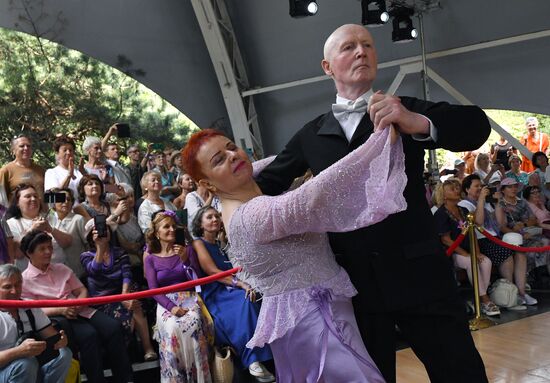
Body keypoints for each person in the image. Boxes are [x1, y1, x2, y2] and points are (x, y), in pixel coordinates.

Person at [253, 24, 490, 382]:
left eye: (367, 45)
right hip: (355, 287)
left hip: (420, 274)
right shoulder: (310, 134)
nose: (362, 51)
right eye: (349, 47)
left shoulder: (402, 108)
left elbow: (476, 126)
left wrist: (415, 121)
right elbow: (264, 188)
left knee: (460, 372)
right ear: (327, 67)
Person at [182, 124, 409, 381]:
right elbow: (315, 195)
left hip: (311, 312)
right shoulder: (253, 215)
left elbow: (280, 160)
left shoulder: (244, 183)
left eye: (231, 147)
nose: (232, 156)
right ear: (206, 184)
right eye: (219, 160)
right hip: (314, 319)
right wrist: (377, 145)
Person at [20, 230, 133, 383]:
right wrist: (61, 309)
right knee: (89, 335)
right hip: (57, 317)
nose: (48, 252)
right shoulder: (24, 280)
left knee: (113, 327)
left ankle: (125, 378)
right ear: (29, 253)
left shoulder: (61, 268)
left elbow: (82, 290)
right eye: (42, 249)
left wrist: (79, 303)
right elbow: (33, 310)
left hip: (81, 309)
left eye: (50, 247)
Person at [191, 206, 274, 381]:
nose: (215, 219)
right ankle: (252, 359)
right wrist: (241, 284)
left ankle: (265, 357)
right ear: (200, 224)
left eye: (216, 216)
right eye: (209, 217)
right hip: (214, 293)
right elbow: (212, 271)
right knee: (244, 301)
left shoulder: (220, 245)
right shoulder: (198, 242)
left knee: (257, 298)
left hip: (229, 288)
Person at [144, 211, 212, 382]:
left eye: (174, 226)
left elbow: (197, 281)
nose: (172, 230)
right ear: (156, 233)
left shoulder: (187, 250)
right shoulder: (150, 258)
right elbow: (153, 289)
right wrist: (171, 307)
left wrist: (185, 260)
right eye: (166, 227)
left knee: (194, 322)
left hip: (189, 297)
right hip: (166, 302)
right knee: (172, 327)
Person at [80, 222, 157, 361]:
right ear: (91, 236)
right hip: (102, 301)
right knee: (126, 316)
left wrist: (124, 296)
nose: (104, 232)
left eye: (106, 229)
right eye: (98, 231)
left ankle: (148, 348)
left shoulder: (120, 252)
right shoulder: (86, 255)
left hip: (122, 293)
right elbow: (94, 271)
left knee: (135, 304)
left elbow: (127, 275)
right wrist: (100, 247)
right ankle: (122, 355)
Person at [433, 180, 499, 316]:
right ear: (443, 195)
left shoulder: (463, 210)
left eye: (457, 187)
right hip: (453, 253)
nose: (457, 190)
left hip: (468, 249)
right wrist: (466, 254)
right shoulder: (440, 214)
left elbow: (472, 232)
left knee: (486, 262)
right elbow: (445, 239)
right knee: (471, 263)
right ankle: (485, 300)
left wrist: (477, 252)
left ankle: (480, 298)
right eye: (452, 189)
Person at [0, 264, 72, 383]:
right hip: (7, 369)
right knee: (26, 364)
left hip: (28, 366)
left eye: (18, 285)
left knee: (64, 354)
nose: (14, 291)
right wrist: (19, 351)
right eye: (7, 287)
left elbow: (50, 335)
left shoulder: (29, 306)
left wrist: (60, 341)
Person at [458, 175, 519, 290]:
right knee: (505, 252)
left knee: (519, 250)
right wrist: (481, 199)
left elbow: (501, 224)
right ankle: (510, 291)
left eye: (481, 186)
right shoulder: (463, 205)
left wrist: (497, 203)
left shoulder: (487, 203)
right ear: (467, 189)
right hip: (480, 240)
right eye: (476, 186)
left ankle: (519, 289)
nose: (480, 188)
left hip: (495, 237)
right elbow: (479, 222)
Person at [496, 177, 548, 305]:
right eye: (509, 187)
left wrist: (523, 225)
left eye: (514, 186)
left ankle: (525, 281)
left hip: (526, 234)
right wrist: (515, 232)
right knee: (521, 251)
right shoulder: (500, 204)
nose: (513, 189)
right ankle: (520, 288)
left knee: (545, 242)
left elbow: (533, 219)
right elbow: (501, 226)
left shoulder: (522, 202)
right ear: (503, 190)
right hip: (508, 238)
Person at [6, 184, 72, 271]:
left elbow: (67, 242)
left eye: (35, 196)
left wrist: (50, 228)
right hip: (30, 278)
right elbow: (18, 254)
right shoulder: (11, 224)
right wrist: (32, 230)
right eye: (28, 196)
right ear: (17, 203)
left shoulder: (52, 217)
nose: (33, 199)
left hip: (58, 271)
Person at [47, 188, 87, 278]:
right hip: (56, 273)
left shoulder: (78, 219)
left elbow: (87, 243)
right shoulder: (49, 221)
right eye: (61, 198)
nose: (66, 201)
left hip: (78, 271)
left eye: (69, 199)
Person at [0, 136, 45, 207]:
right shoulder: (6, 171)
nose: (26, 148)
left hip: (41, 215)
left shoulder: (41, 170)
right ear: (13, 150)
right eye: (21, 146)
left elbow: (49, 195)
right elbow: (1, 200)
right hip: (17, 216)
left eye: (28, 146)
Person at [44, 136, 84, 200]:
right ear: (57, 153)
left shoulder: (78, 173)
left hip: (81, 209)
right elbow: (51, 199)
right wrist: (69, 176)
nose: (68, 153)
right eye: (65, 150)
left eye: (70, 150)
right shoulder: (51, 172)